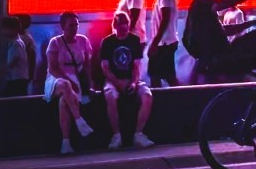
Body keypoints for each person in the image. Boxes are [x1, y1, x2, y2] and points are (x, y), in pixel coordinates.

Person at [100, 12, 154, 149]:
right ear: (115, 25)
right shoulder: (107, 42)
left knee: (147, 95)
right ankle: (116, 136)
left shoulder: (134, 40)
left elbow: (137, 66)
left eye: (126, 24)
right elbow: (105, 68)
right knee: (110, 95)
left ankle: (138, 134)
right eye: (121, 24)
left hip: (131, 80)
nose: (124, 27)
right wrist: (117, 82)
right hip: (113, 81)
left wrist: (133, 82)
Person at [44, 12, 94, 155]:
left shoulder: (83, 41)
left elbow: (87, 66)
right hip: (56, 78)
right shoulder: (55, 42)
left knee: (63, 102)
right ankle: (79, 120)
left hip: (76, 77)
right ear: (63, 27)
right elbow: (53, 69)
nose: (75, 28)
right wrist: (70, 81)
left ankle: (65, 143)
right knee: (66, 86)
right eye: (71, 25)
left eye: (76, 25)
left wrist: (88, 84)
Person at [148, 0, 180, 87]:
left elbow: (165, 18)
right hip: (167, 42)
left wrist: (154, 43)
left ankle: (183, 96)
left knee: (156, 77)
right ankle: (183, 96)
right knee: (168, 76)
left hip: (164, 43)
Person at [1, 16, 29, 96]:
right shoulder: (14, 43)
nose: (3, 31)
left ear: (14, 29)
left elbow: (14, 60)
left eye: (5, 28)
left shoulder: (17, 43)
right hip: (16, 79)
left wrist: (0, 71)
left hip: (17, 79)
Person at [15, 14, 37, 93]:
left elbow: (32, 58)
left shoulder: (27, 39)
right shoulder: (27, 39)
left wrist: (31, 75)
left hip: (22, 74)